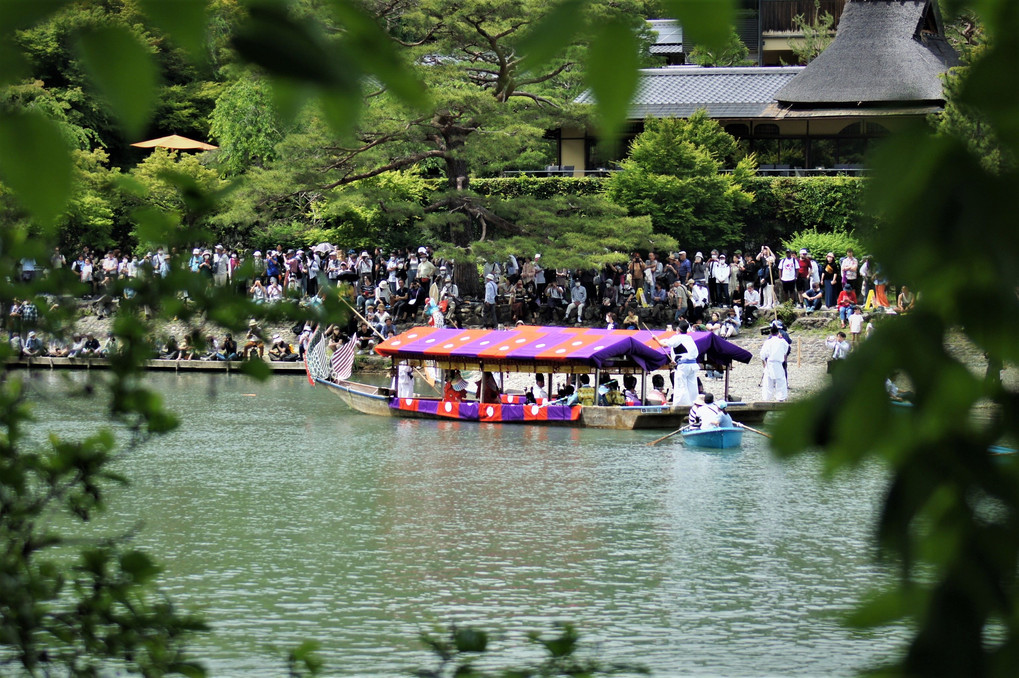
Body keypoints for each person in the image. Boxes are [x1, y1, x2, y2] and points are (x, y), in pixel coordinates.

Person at [659, 320, 699, 406]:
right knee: (692, 386)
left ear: (678, 329)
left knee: (681, 386)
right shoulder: (689, 338)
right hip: (692, 365)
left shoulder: (677, 337)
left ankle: (680, 405)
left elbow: (664, 344)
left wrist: (656, 339)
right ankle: (694, 403)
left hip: (683, 366)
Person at [760, 325, 790, 402]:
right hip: (778, 363)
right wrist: (781, 338)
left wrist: (763, 360)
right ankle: (781, 398)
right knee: (780, 381)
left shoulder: (768, 342)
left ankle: (766, 398)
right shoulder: (782, 341)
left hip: (770, 363)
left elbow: (762, 354)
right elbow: (786, 350)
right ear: (778, 332)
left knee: (768, 382)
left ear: (770, 333)